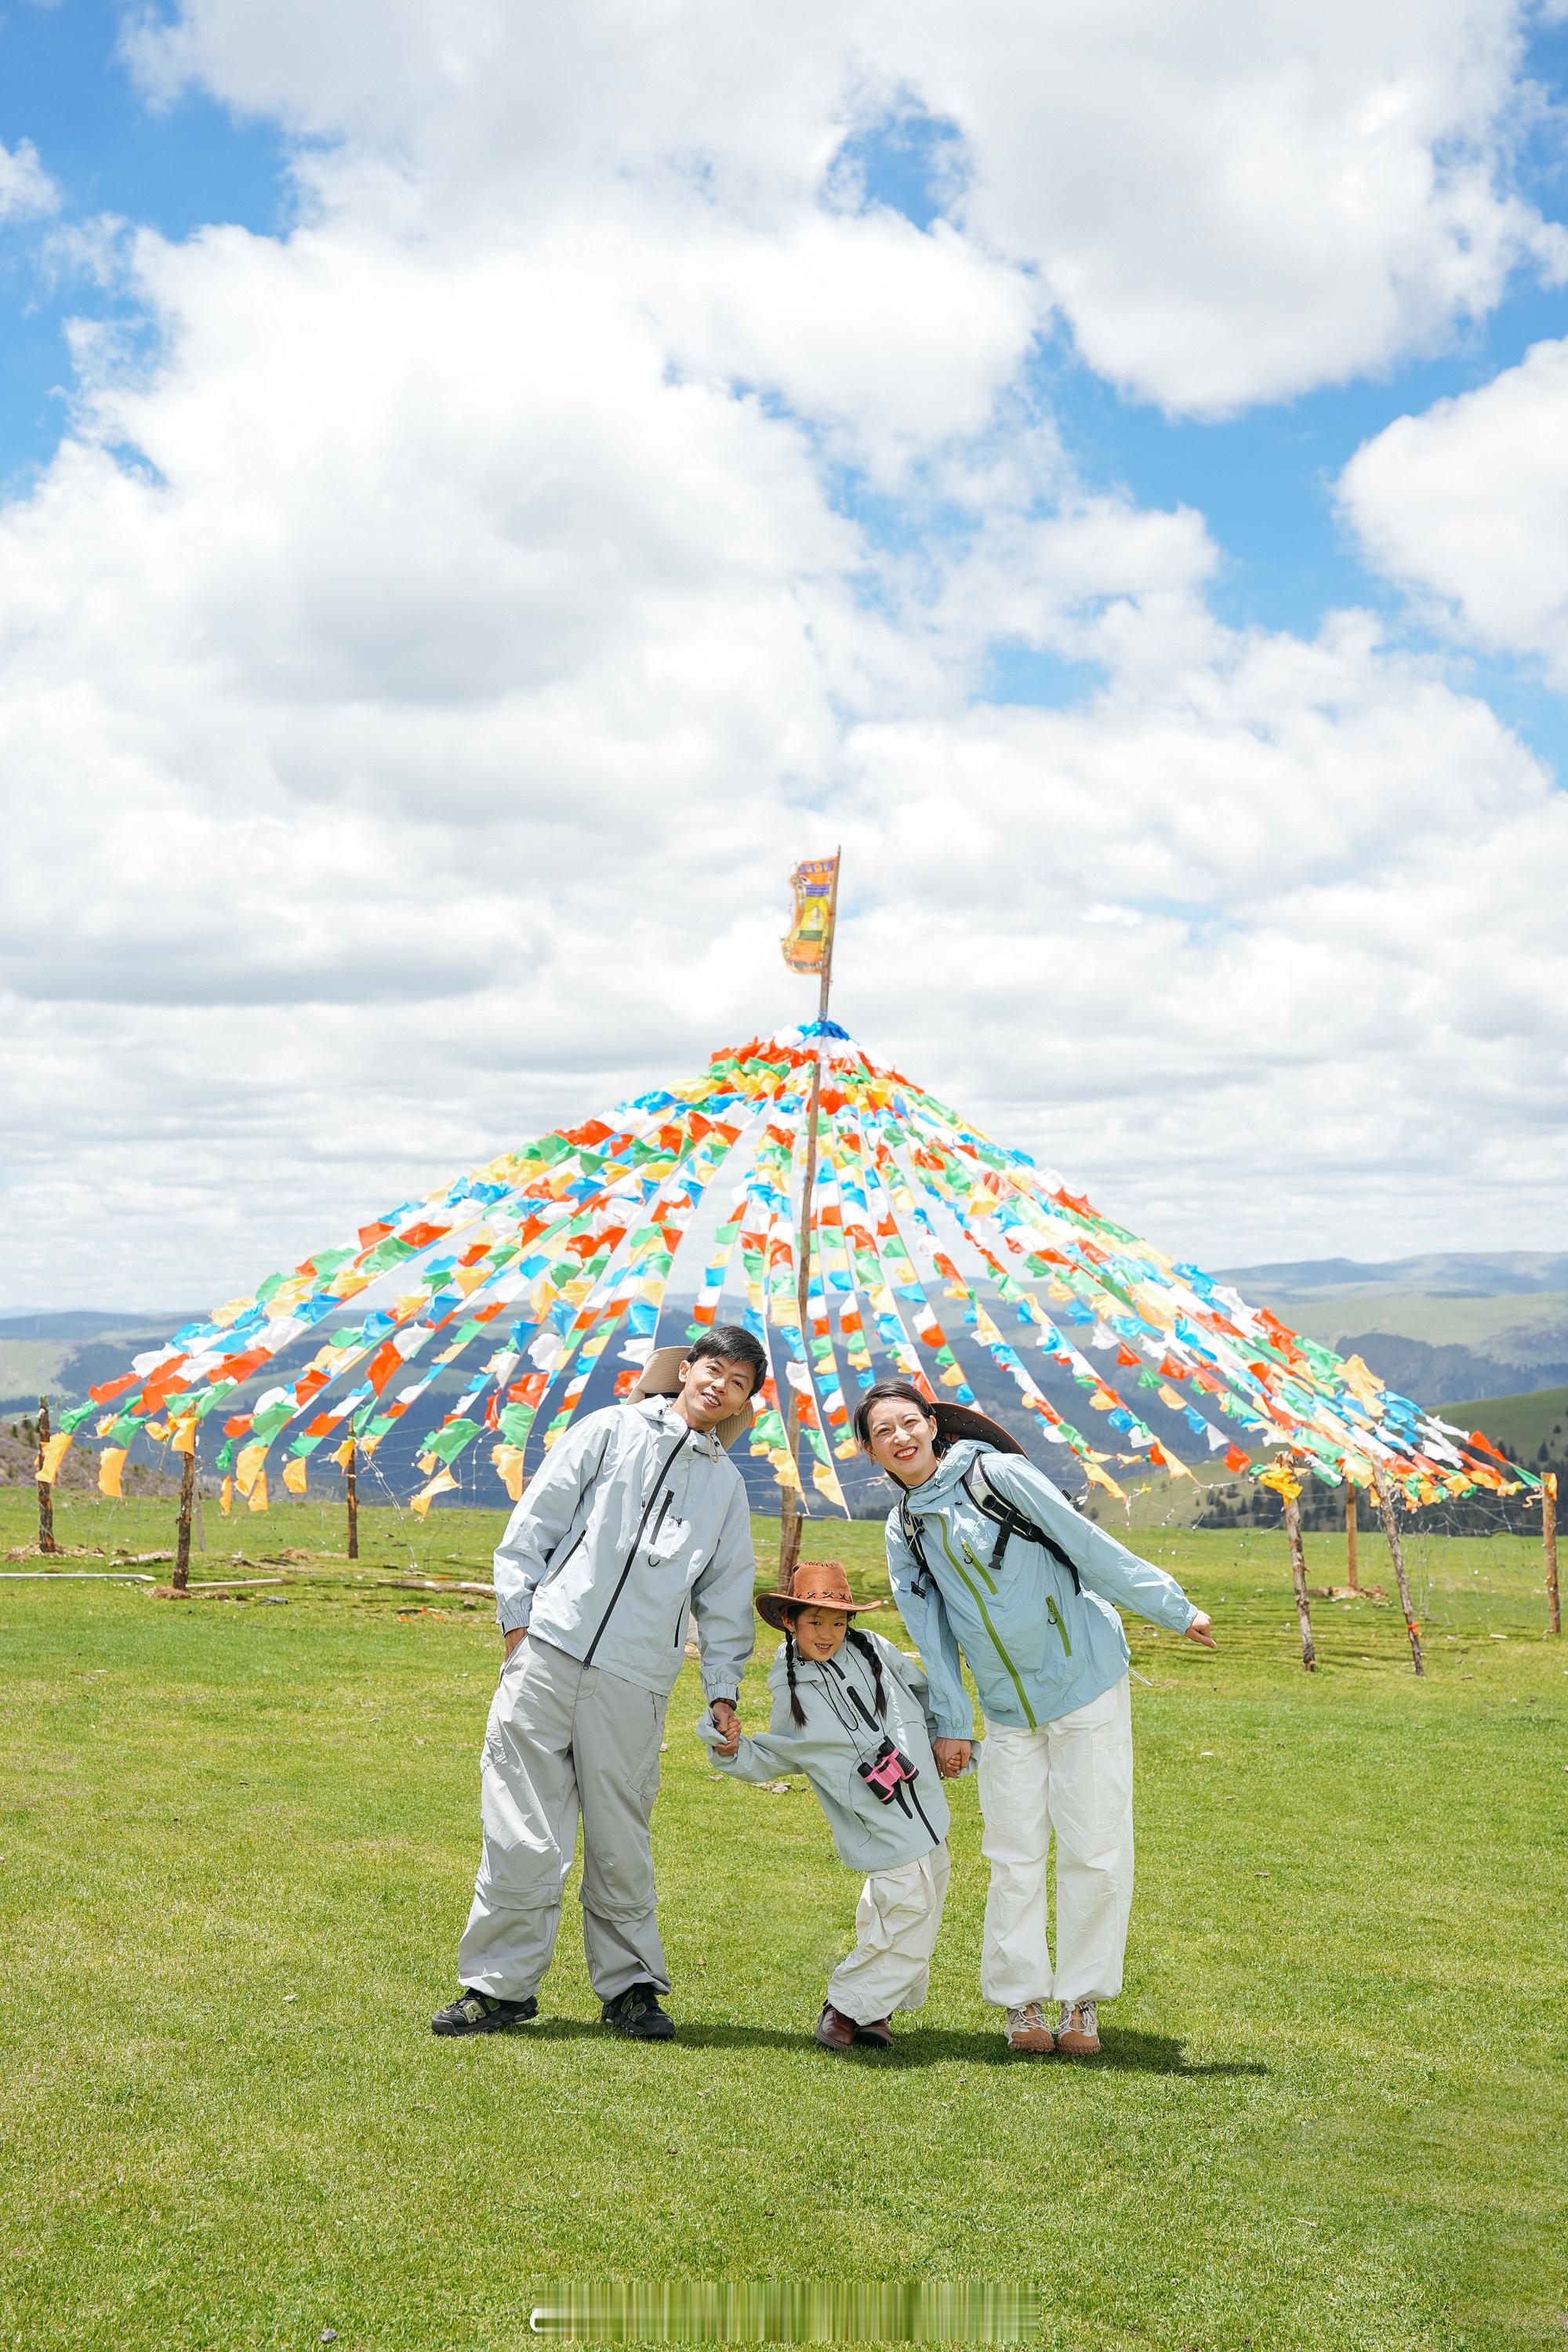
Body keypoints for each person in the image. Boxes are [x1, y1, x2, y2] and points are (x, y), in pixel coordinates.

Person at [855, 1380, 1216, 2057]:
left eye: (910, 1422)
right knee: (1012, 1854)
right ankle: (1021, 2002)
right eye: (884, 1433)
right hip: (1005, 1711)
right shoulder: (904, 1527)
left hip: (1085, 1684)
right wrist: (952, 1722)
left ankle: (1081, 2003)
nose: (901, 1438)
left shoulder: (998, 1474)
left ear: (933, 1425)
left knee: (1096, 1846)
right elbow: (930, 1631)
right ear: (873, 1453)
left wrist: (1173, 1607)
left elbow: (1085, 1544)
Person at [431, 1325, 766, 2042]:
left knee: (621, 1838)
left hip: (638, 1677)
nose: (719, 1386)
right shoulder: (609, 1430)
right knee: (521, 1827)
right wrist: (520, 1627)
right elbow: (534, 1524)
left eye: (738, 1382)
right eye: (712, 1369)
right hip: (549, 1653)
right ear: (685, 1370)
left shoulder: (728, 1487)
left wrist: (723, 1688)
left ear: (743, 1400)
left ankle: (632, 1989)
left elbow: (727, 1596)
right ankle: (498, 1988)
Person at [699, 1559, 962, 2052]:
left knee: (908, 1908)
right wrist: (732, 1748)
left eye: (838, 1621)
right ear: (790, 1622)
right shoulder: (793, 1687)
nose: (827, 1632)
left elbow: (925, 1697)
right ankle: (844, 2007)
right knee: (905, 1904)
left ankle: (876, 2010)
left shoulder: (876, 1652)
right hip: (873, 1818)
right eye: (814, 1621)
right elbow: (781, 1753)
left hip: (925, 1800)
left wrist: (949, 1738)